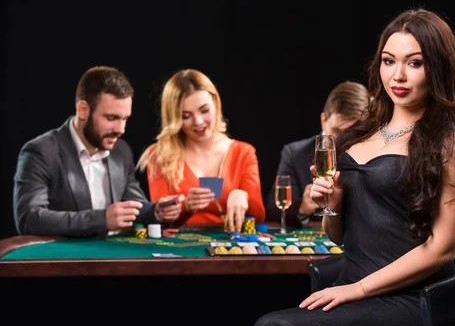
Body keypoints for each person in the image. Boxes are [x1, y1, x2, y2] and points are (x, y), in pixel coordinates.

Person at [234, 8, 455, 326]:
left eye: (415, 63)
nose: (398, 75)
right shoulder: (358, 135)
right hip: (352, 293)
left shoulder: (448, 143)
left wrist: (356, 290)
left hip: (413, 307)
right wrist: (332, 202)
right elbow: (340, 236)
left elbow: (441, 249)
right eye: (389, 61)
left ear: (436, 68)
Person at [13, 66, 183, 238]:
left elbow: (135, 207)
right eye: (111, 118)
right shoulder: (40, 152)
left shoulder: (121, 151)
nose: (121, 129)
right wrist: (102, 219)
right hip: (64, 260)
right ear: (83, 110)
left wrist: (155, 211)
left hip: (113, 256)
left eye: (125, 119)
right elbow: (29, 219)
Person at [137, 69, 265, 232]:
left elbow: (259, 216)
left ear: (216, 104)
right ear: (174, 118)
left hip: (229, 246)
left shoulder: (244, 152)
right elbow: (160, 220)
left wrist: (243, 195)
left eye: (204, 110)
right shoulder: (159, 155)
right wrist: (186, 206)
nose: (198, 121)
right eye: (185, 116)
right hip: (180, 250)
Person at [264, 81, 370, 227]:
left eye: (352, 132)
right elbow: (273, 211)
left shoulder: (374, 155)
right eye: (336, 131)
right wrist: (302, 207)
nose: (344, 140)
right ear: (322, 120)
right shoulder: (294, 154)